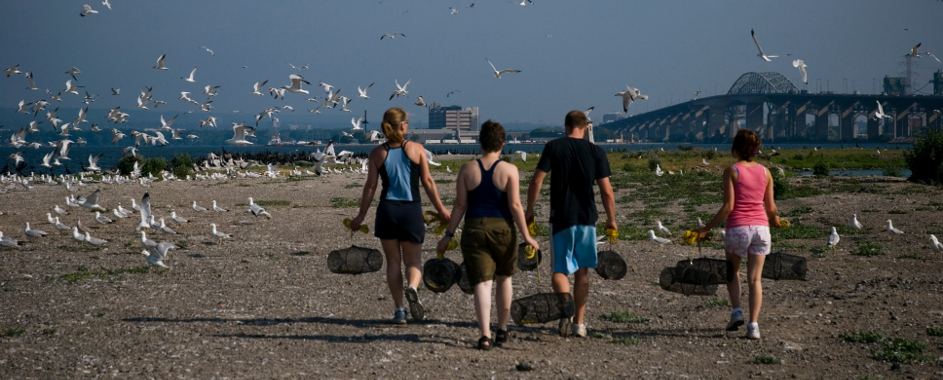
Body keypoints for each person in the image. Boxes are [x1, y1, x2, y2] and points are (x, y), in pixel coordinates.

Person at [436, 120, 539, 350]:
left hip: (474, 228)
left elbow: (460, 205)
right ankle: (502, 329)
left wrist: (448, 235)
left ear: (480, 143)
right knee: (504, 278)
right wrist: (527, 236)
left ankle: (484, 335)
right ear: (502, 144)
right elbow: (514, 205)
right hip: (503, 228)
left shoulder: (466, 169)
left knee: (482, 283)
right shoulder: (509, 170)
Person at [350, 107, 451, 324]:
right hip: (411, 210)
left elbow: (370, 187)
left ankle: (400, 311)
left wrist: (360, 216)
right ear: (403, 125)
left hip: (388, 211)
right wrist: (442, 209)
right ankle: (412, 287)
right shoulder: (416, 149)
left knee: (393, 262)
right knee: (413, 261)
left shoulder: (378, 153)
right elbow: (427, 182)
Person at [524, 110, 616, 338]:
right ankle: (579, 324)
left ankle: (566, 310)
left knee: (559, 270)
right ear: (585, 129)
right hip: (587, 219)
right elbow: (606, 191)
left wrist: (529, 210)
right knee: (582, 270)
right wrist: (611, 219)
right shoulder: (596, 151)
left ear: (565, 127)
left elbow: (537, 180)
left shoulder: (554, 147)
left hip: (562, 217)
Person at [695, 129, 782, 340]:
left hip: (738, 229)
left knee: (732, 272)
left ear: (736, 149)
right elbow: (771, 208)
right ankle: (753, 326)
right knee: (755, 279)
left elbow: (728, 207)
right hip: (761, 229)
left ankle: (736, 312)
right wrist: (776, 220)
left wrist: (706, 228)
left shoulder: (732, 171)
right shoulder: (766, 172)